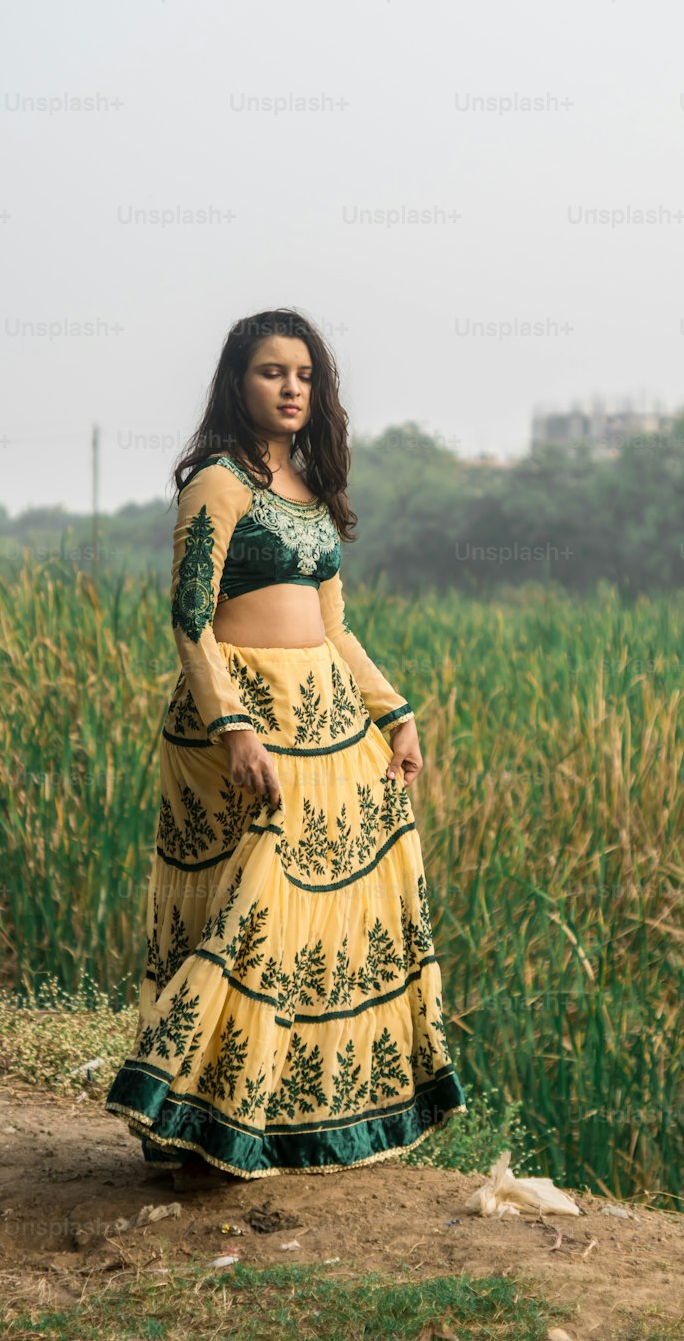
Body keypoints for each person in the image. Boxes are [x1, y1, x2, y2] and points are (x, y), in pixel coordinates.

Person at [104, 308, 467, 1188]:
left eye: (304, 373)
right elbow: (190, 621)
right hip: (238, 725)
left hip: (327, 722)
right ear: (239, 383)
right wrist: (232, 725)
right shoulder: (218, 485)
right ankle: (191, 1110)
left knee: (338, 912)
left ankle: (286, 1122)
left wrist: (395, 713)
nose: (291, 386)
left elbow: (335, 628)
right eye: (272, 372)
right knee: (253, 913)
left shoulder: (311, 489)